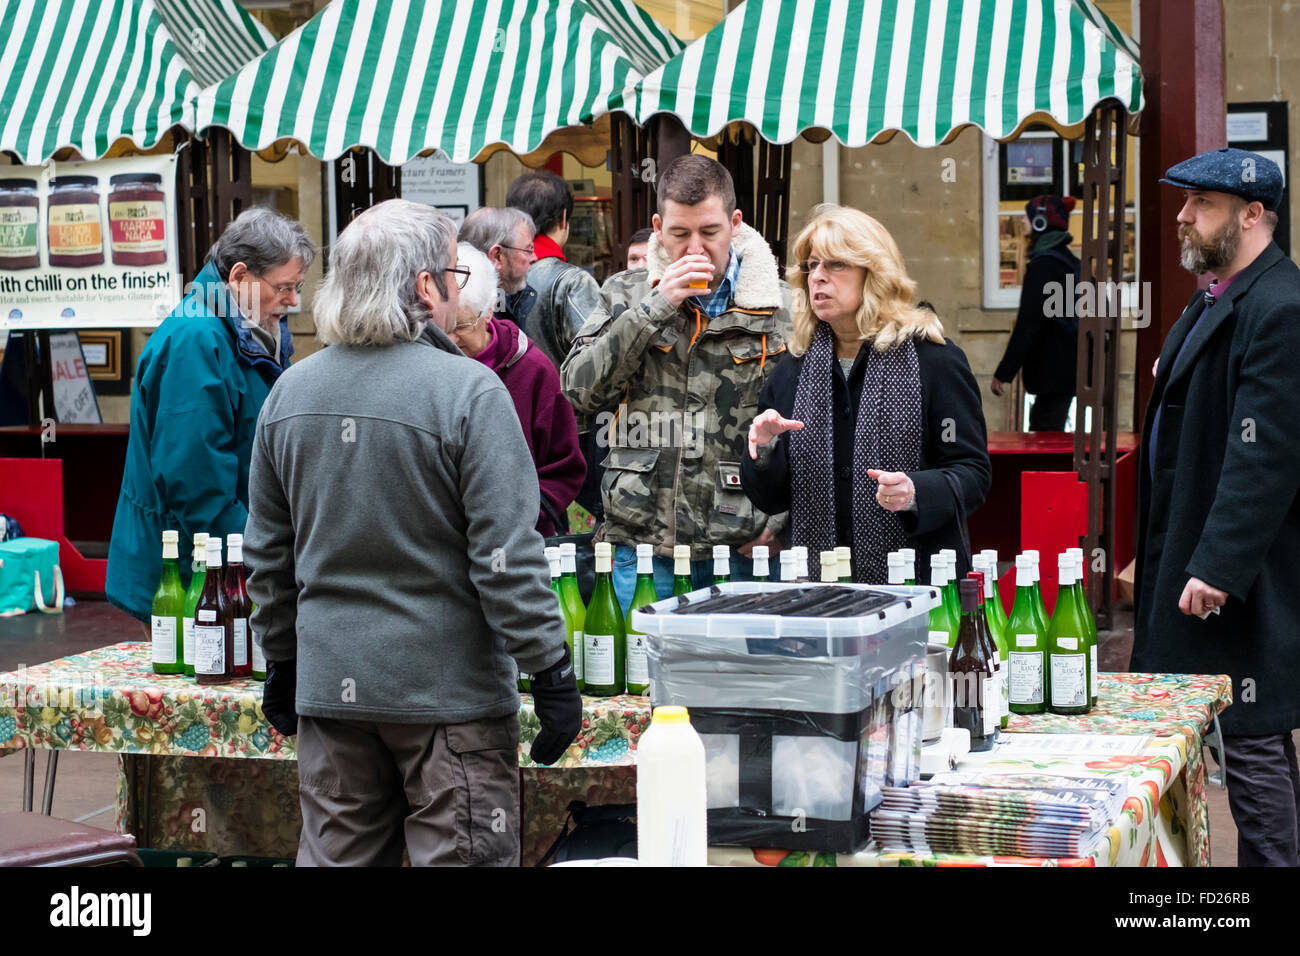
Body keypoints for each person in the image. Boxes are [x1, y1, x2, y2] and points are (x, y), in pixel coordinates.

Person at [244, 200, 580, 867]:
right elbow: (505, 558)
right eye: (455, 267)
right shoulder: (469, 393)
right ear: (427, 286)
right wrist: (550, 667)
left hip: (333, 689)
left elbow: (268, 558)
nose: (461, 283)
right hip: (448, 699)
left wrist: (281, 656)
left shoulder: (290, 393)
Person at [1133, 147, 1300, 867]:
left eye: (1199, 203)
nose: (1182, 215)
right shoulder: (1220, 295)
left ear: (1252, 215)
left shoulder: (1280, 306)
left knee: (1253, 742)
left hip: (1240, 581)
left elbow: (1266, 457)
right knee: (1220, 740)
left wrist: (1218, 567)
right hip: (1196, 561)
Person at [563, 155, 790, 612]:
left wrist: (783, 522)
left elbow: (810, 423)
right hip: (643, 546)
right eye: (680, 234)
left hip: (742, 548)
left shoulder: (780, 307)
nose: (695, 249)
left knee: (738, 682)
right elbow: (577, 391)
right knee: (634, 684)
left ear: (735, 223)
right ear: (658, 227)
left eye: (710, 232)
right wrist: (656, 306)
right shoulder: (625, 293)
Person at [740, 205, 990, 583]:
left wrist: (914, 491)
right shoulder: (792, 369)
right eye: (811, 266)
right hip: (819, 597)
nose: (818, 277)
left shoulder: (934, 360)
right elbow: (771, 499)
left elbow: (972, 473)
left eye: (836, 265)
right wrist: (763, 450)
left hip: (920, 587)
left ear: (873, 273)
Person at [106, 207, 312, 622]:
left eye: (298, 287)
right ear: (239, 277)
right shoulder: (194, 342)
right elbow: (195, 483)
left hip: (221, 565)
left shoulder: (243, 327)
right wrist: (260, 559)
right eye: (285, 288)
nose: (293, 301)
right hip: (189, 576)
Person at [449, 243, 586, 536]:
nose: (449, 338)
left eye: (459, 326)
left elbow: (565, 466)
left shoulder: (533, 369)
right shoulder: (431, 366)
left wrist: (519, 515)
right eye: (441, 325)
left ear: (488, 312)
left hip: (521, 540)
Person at [991, 195, 1080, 431]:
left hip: (1052, 374)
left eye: (1027, 216)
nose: (1022, 221)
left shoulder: (1043, 266)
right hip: (1068, 371)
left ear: (1041, 222)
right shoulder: (1071, 263)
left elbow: (1028, 324)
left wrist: (1004, 372)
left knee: (1045, 436)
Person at [505, 171, 601, 371]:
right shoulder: (573, 281)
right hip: (560, 400)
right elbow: (597, 361)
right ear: (564, 217)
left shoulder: (489, 274)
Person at [458, 206, 538, 329]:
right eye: (528, 250)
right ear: (497, 256)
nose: (534, 258)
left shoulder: (507, 297)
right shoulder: (470, 318)